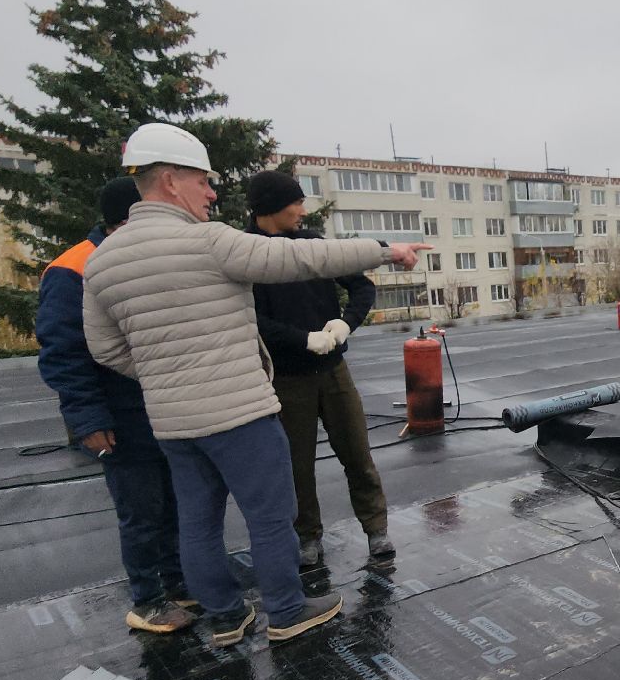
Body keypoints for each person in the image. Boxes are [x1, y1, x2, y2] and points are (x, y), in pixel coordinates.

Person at [82, 123, 430, 647]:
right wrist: (386, 249)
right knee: (272, 517)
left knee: (197, 522)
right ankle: (287, 611)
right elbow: (299, 257)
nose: (213, 192)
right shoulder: (208, 241)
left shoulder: (102, 259)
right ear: (172, 181)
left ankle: (225, 617)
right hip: (239, 412)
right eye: (204, 181)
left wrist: (163, 374)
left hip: (174, 422)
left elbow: (106, 349)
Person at [37, 176, 195, 635]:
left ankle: (179, 583)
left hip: (165, 407)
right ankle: (147, 600)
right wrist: (89, 418)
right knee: (141, 510)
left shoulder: (141, 257)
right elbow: (63, 352)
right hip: (120, 415)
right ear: (129, 217)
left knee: (175, 503)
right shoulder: (74, 269)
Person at [245, 170, 391, 568]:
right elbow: (251, 319)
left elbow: (361, 287)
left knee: (357, 452)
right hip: (288, 380)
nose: (302, 210)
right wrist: (301, 339)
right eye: (296, 202)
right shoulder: (248, 254)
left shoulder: (312, 245)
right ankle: (307, 537)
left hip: (333, 372)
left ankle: (376, 528)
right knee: (297, 466)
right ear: (274, 206)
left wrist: (346, 323)